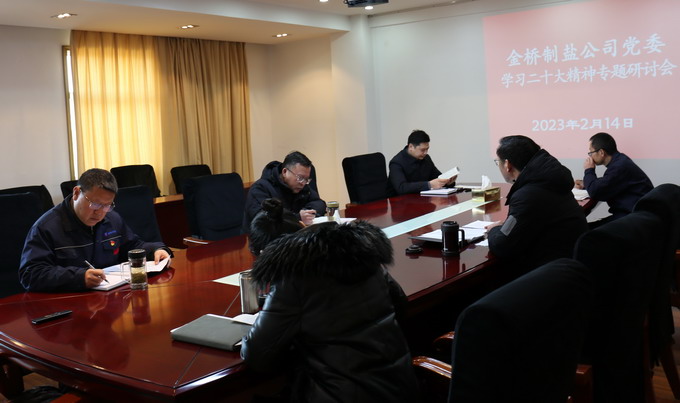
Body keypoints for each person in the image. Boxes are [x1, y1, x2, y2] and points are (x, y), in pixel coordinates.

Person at [241, 220, 420, 403]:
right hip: (400, 387)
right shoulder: (365, 256)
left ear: (267, 253)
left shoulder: (292, 278)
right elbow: (400, 305)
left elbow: (257, 356)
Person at [19, 168, 172, 292]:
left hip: (109, 298)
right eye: (95, 204)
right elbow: (31, 274)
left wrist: (157, 250)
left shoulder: (112, 218)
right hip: (67, 303)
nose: (99, 212)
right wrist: (79, 278)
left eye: (107, 205)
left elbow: (132, 246)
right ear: (76, 193)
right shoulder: (47, 227)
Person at [486, 135, 588, 274]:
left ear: (507, 165)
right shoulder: (549, 180)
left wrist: (494, 230)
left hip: (551, 273)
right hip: (571, 262)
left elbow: (502, 246)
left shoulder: (527, 194)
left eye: (498, 162)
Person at [574, 132, 653, 226]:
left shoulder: (619, 167)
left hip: (634, 219)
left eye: (591, 152)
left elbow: (595, 192)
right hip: (635, 215)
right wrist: (585, 183)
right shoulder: (621, 160)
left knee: (584, 230)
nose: (590, 156)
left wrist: (589, 170)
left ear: (601, 152)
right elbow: (608, 181)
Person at [243, 151, 326, 232]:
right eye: (300, 178)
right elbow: (264, 220)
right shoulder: (260, 188)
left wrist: (307, 212)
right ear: (285, 172)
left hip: (294, 234)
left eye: (306, 179)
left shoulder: (300, 186)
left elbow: (319, 203)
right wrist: (297, 217)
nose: (303, 183)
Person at [388, 129, 457, 195]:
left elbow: (437, 178)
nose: (425, 153)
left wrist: (448, 182)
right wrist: (429, 185)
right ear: (411, 147)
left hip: (422, 199)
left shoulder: (426, 158)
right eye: (422, 150)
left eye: (427, 149)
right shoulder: (396, 163)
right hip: (401, 201)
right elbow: (401, 188)